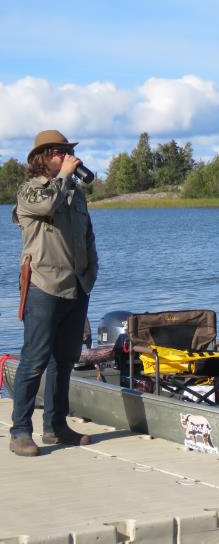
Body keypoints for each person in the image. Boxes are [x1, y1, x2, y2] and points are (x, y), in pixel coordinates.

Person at [9, 130, 99, 456]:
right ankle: (20, 432)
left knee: (64, 361)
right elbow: (47, 203)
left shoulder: (75, 193)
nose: (68, 157)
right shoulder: (30, 191)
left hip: (75, 286)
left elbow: (87, 235)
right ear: (45, 156)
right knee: (34, 361)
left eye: (68, 152)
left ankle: (56, 426)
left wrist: (90, 274)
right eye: (61, 152)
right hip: (43, 286)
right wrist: (63, 175)